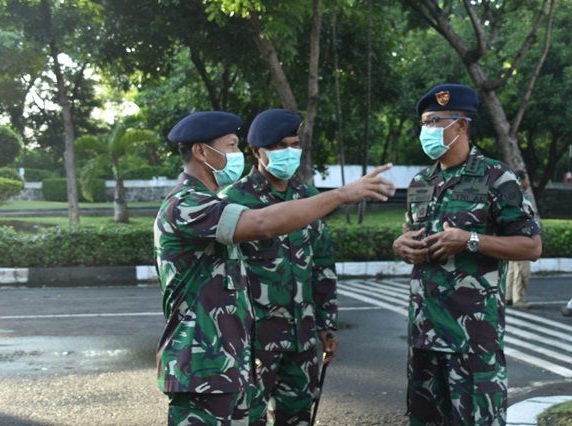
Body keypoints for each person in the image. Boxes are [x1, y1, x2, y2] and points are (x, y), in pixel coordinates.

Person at [154, 111, 394, 425]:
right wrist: (341, 194)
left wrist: (325, 321)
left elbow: (319, 264)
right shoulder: (185, 204)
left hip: (225, 363)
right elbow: (263, 223)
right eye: (230, 146)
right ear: (201, 152)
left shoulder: (209, 203)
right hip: (203, 367)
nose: (235, 155)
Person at [392, 84, 542, 425]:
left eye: (434, 122)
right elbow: (409, 235)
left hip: (472, 339)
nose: (426, 131)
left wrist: (470, 240)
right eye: (424, 123)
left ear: (461, 125)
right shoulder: (420, 182)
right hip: (424, 334)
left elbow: (531, 246)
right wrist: (399, 246)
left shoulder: (496, 178)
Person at [218, 109, 338, 425]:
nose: (289, 152)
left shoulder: (307, 197)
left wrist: (327, 323)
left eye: (294, 144)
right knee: (249, 418)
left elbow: (322, 263)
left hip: (304, 335)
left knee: (299, 415)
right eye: (279, 146)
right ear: (258, 152)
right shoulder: (234, 200)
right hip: (254, 339)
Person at [505, 170, 533, 309]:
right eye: (526, 178)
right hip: (521, 236)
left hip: (510, 236)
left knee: (512, 268)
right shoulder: (520, 196)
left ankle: (508, 296)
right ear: (521, 180)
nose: (528, 182)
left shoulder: (509, 193)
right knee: (523, 271)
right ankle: (519, 299)